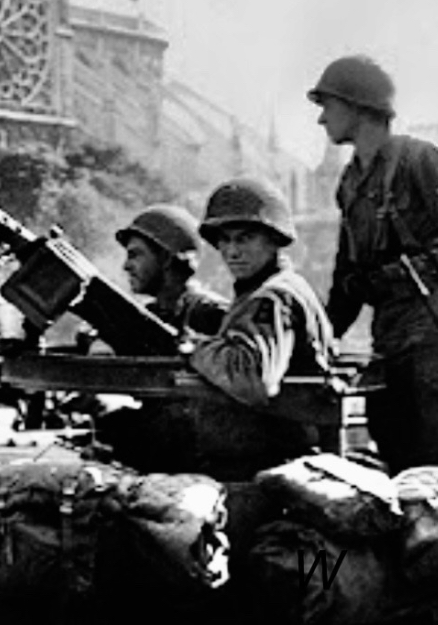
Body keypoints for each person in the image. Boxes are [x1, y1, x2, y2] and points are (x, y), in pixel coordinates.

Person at [307, 54, 438, 492]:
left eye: (328, 105)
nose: (321, 119)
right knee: (399, 456)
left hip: (437, 334)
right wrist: (316, 340)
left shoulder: (427, 162)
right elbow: (346, 279)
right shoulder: (349, 185)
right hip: (390, 340)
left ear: (358, 106)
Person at [189, 177, 335, 473]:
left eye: (244, 239)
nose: (232, 252)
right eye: (225, 240)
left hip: (274, 459)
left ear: (274, 239)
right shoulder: (273, 289)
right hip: (277, 451)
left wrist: (192, 348)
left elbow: (252, 378)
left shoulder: (272, 298)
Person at [114, 204, 227, 346]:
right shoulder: (150, 314)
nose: (126, 266)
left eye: (135, 255)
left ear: (166, 258)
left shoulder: (212, 316)